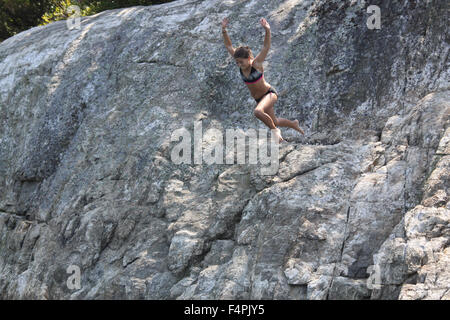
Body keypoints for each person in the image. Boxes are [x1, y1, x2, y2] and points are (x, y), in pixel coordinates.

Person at [222, 17, 305, 143]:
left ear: (249, 58)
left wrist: (267, 30)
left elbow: (266, 46)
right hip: (259, 99)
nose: (239, 64)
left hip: (269, 94)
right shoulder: (240, 61)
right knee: (274, 120)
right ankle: (293, 124)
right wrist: (224, 30)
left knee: (258, 112)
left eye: (241, 62)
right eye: (237, 62)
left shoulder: (256, 64)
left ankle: (275, 132)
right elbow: (228, 45)